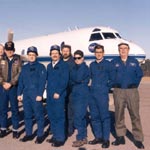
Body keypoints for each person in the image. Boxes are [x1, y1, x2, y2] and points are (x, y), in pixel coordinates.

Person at [111, 43, 144, 149]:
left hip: (132, 91)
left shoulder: (134, 61)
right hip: (119, 91)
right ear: (118, 50)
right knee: (119, 115)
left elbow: (139, 74)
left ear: (128, 50)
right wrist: (113, 85)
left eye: (125, 48)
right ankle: (120, 137)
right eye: (121, 49)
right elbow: (110, 75)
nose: (123, 50)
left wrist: (135, 84)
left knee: (135, 115)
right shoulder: (114, 62)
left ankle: (138, 139)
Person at [17, 46, 46, 144]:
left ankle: (40, 135)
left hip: (36, 94)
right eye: (30, 55)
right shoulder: (24, 68)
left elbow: (42, 82)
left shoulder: (41, 67)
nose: (31, 56)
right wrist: (19, 93)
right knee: (27, 115)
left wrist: (40, 94)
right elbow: (21, 81)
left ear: (36, 55)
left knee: (39, 116)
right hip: (26, 94)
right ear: (27, 56)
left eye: (33, 55)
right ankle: (29, 134)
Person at [88, 44, 114, 148]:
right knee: (94, 117)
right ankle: (98, 137)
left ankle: (106, 139)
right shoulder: (92, 65)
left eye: (100, 52)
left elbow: (112, 79)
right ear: (94, 53)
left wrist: (105, 88)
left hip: (102, 94)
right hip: (92, 93)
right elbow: (89, 78)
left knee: (105, 117)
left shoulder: (108, 64)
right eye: (96, 52)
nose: (98, 54)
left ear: (103, 53)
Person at [46, 45, 69, 147]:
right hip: (50, 95)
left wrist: (58, 92)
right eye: (52, 53)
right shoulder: (49, 66)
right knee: (51, 116)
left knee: (59, 116)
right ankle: (55, 136)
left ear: (59, 55)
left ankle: (60, 139)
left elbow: (64, 80)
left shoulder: (64, 65)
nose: (54, 55)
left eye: (56, 53)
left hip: (58, 95)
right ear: (50, 55)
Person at [0, 41, 22, 138]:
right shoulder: (1, 59)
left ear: (14, 50)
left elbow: (19, 73)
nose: (9, 52)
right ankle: (3, 129)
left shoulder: (18, 60)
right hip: (3, 88)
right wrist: (3, 82)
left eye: (11, 50)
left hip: (13, 88)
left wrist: (11, 83)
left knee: (14, 110)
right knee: (3, 110)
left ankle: (15, 130)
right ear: (5, 50)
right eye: (8, 50)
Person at [70, 50, 90, 147]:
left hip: (82, 93)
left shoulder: (84, 68)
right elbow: (72, 79)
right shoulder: (74, 67)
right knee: (79, 117)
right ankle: (83, 137)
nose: (77, 60)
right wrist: (76, 80)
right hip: (75, 93)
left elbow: (76, 78)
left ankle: (80, 138)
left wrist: (76, 80)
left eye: (78, 58)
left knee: (79, 116)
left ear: (82, 58)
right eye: (75, 58)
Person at [61, 44, 75, 137]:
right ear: (61, 52)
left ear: (70, 52)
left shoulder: (73, 62)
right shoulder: (59, 61)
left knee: (70, 110)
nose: (65, 52)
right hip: (60, 90)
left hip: (70, 89)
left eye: (67, 51)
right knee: (61, 110)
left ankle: (70, 129)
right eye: (64, 51)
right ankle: (61, 128)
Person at [0, 44, 4, 129]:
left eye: (1, 50)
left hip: (2, 86)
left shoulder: (6, 60)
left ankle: (2, 125)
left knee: (2, 107)